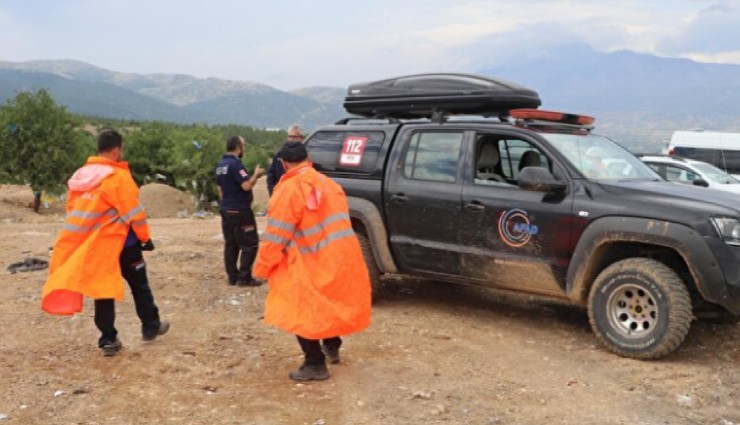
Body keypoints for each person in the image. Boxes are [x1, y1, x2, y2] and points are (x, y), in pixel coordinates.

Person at [42, 129, 169, 357]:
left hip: (95, 247)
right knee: (139, 284)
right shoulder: (117, 177)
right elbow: (135, 213)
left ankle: (108, 339)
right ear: (117, 150)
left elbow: (74, 211)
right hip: (124, 244)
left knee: (102, 290)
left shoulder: (80, 176)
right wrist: (145, 238)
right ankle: (151, 326)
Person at [253, 142, 372, 381]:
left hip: (308, 260)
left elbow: (276, 236)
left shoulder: (288, 190)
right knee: (327, 304)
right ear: (308, 158)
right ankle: (332, 344)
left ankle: (315, 363)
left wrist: (262, 268)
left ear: (283, 163)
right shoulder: (330, 184)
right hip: (340, 258)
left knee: (300, 311)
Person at [215, 136, 266, 286]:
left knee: (231, 244)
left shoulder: (221, 165)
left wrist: (224, 205)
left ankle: (232, 276)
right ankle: (244, 277)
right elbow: (246, 186)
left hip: (226, 209)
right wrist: (256, 175)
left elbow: (220, 189)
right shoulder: (235, 165)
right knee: (250, 244)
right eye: (243, 145)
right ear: (238, 147)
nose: (244, 148)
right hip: (240, 210)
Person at [266, 124, 305, 195]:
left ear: (301, 138)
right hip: (280, 195)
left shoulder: (305, 157)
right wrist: (273, 193)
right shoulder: (279, 155)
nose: (291, 139)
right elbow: (271, 175)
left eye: (294, 137)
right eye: (289, 136)